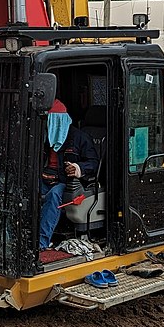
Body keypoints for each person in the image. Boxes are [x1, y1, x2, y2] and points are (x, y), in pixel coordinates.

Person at [40, 100, 99, 252]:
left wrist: (78, 168)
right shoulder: (43, 137)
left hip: (65, 181)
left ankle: (41, 242)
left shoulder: (80, 138)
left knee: (54, 195)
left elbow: (94, 163)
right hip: (45, 177)